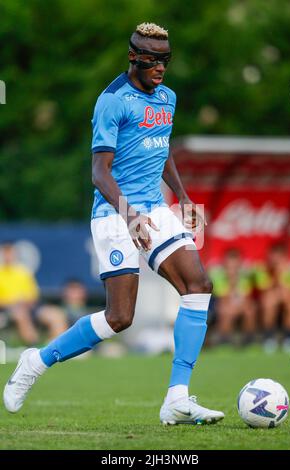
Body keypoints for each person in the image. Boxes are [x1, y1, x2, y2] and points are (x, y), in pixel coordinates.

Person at [3, 22, 224, 425]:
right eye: (154, 60)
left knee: (199, 284)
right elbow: (99, 173)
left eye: (166, 60)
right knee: (120, 318)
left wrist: (185, 198)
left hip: (155, 209)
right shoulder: (112, 101)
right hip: (113, 212)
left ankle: (177, 397)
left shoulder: (168, 97)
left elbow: (162, 147)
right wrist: (130, 214)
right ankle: (35, 361)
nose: (161, 68)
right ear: (134, 58)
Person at [0, 241, 67, 344]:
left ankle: (57, 346)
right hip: (8, 310)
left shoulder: (23, 272)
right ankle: (33, 346)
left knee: (56, 314)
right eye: (6, 252)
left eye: (11, 252)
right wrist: (13, 303)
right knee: (20, 314)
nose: (9, 256)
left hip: (30, 307)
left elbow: (33, 296)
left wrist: (25, 302)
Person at [254, 242, 290, 352]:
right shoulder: (262, 268)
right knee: (269, 301)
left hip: (289, 300)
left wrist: (283, 276)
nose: (275, 260)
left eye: (278, 257)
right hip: (270, 301)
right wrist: (277, 276)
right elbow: (264, 290)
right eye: (272, 256)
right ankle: (269, 337)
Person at [209, 248, 256, 346]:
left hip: (239, 306)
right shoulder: (217, 276)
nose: (232, 269)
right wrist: (232, 281)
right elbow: (222, 299)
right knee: (226, 311)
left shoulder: (245, 277)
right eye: (229, 265)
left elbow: (246, 298)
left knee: (250, 310)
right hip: (220, 307)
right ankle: (223, 339)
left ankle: (249, 340)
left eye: (235, 265)